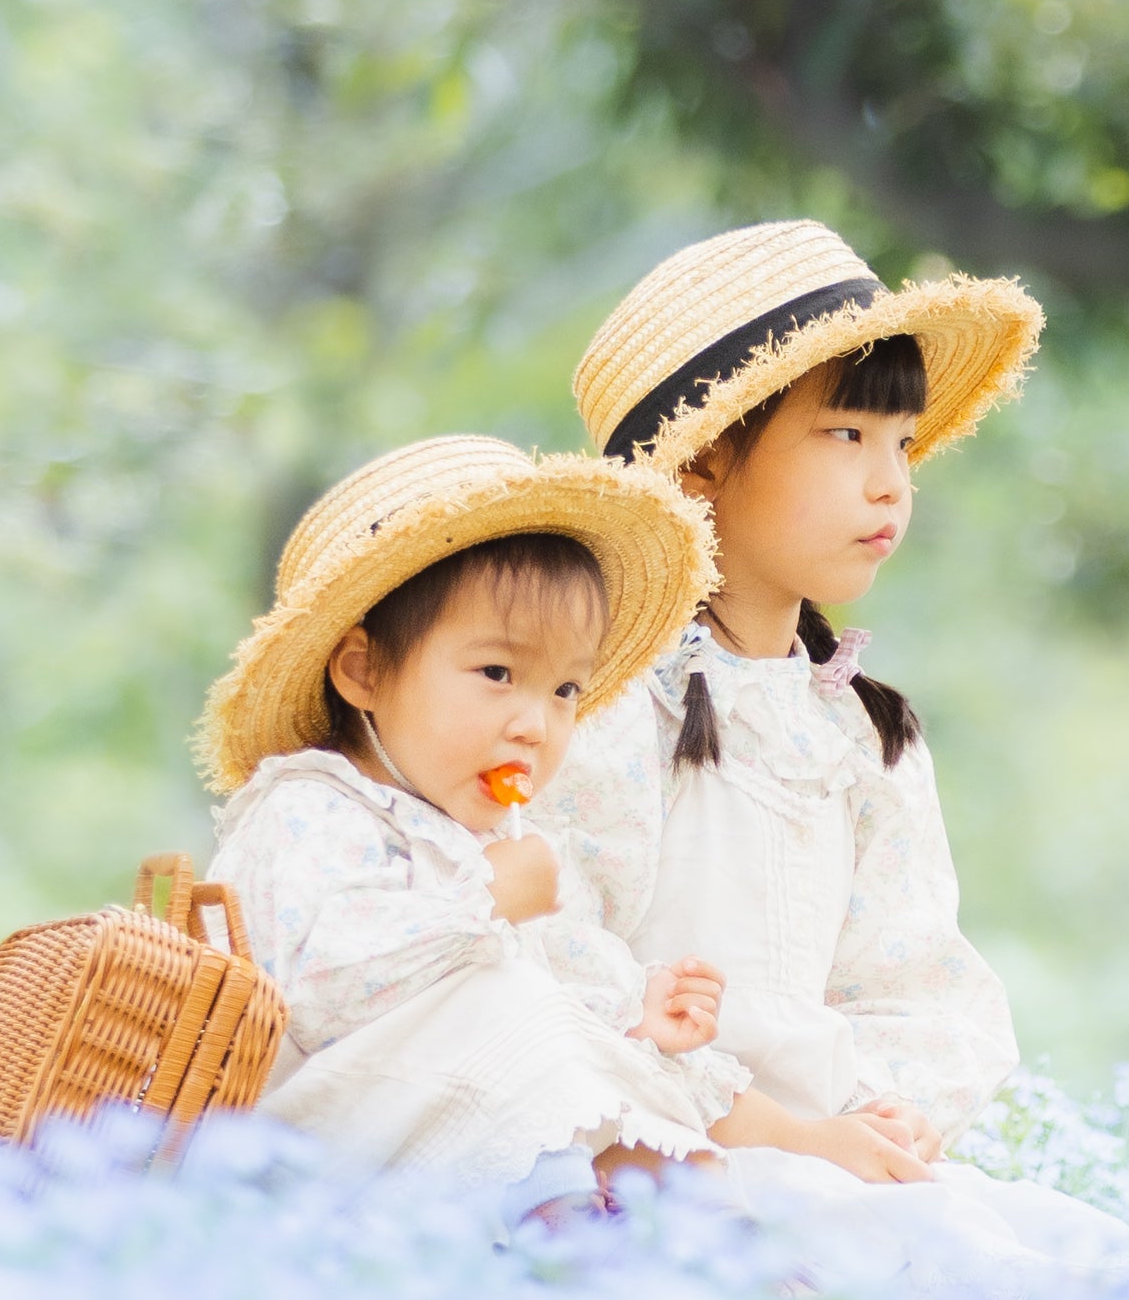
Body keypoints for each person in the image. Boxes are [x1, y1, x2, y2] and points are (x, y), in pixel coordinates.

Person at [539, 220, 1129, 1281]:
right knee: (967, 1270)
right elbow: (556, 958)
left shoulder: (859, 731)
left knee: (1096, 1254)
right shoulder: (600, 711)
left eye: (903, 444)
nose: (890, 485)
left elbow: (917, 975)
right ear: (704, 460)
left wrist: (895, 1111)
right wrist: (748, 1118)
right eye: (845, 435)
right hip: (672, 1162)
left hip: (833, 1152)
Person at [192, 434, 939, 1232]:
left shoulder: (483, 836)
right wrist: (483, 898)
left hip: (457, 1147)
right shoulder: (306, 808)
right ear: (363, 671)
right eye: (496, 675)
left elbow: (577, 1005)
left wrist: (640, 1021)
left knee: (590, 1046)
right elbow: (323, 986)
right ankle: (586, 1244)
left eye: (564, 690)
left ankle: (710, 1257)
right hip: (313, 1156)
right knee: (512, 1005)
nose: (533, 726)